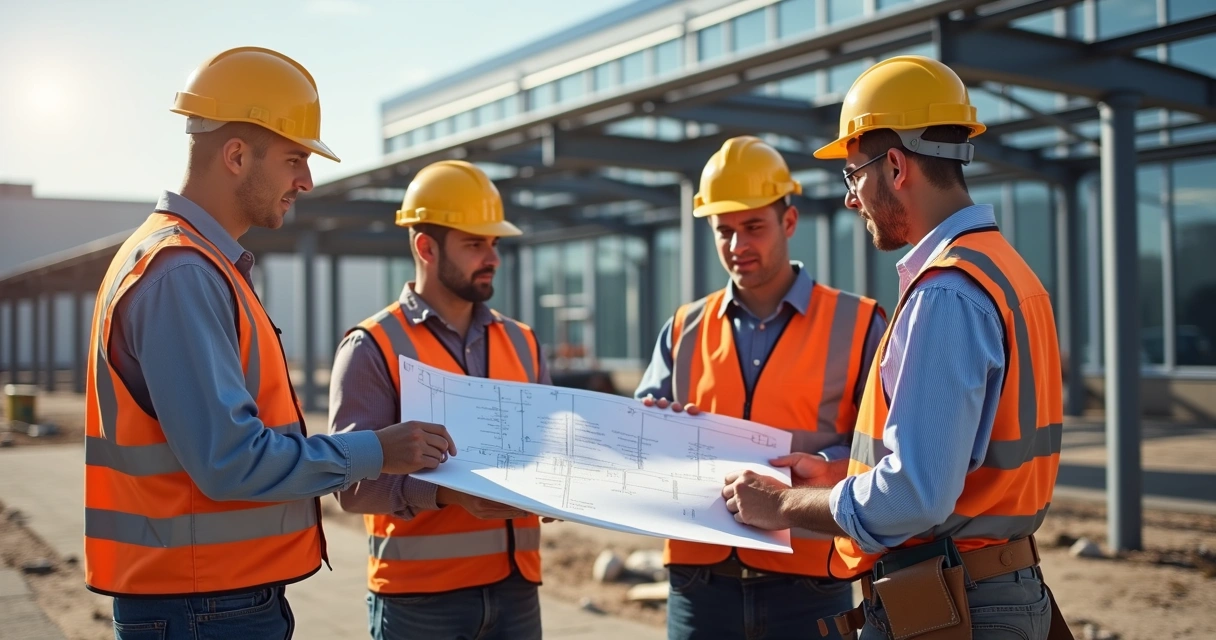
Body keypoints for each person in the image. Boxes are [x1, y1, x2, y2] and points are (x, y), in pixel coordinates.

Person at [83, 47, 455, 640]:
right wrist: (376, 451)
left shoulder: (195, 264)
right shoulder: (180, 273)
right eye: (293, 159)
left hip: (207, 599)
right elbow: (231, 462)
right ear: (235, 155)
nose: (305, 181)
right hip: (201, 606)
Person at [722, 55, 1071, 640]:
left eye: (853, 175)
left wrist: (782, 506)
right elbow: (960, 459)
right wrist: (834, 476)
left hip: (956, 601)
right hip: (997, 586)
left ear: (896, 166)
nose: (852, 199)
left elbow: (913, 496)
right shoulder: (1006, 272)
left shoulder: (947, 294)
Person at [635, 135, 887, 640]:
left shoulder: (860, 323)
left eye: (753, 227)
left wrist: (817, 474)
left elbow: (881, 451)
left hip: (811, 579)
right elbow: (636, 437)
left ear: (788, 222)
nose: (737, 246)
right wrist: (653, 423)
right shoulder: (684, 327)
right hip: (699, 583)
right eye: (723, 230)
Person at [329, 160, 550, 640]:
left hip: (517, 592)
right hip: (419, 602)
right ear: (425, 247)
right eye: (474, 244)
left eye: (494, 243)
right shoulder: (372, 346)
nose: (491, 256)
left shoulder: (524, 342)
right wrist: (445, 493)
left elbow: (549, 453)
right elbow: (349, 486)